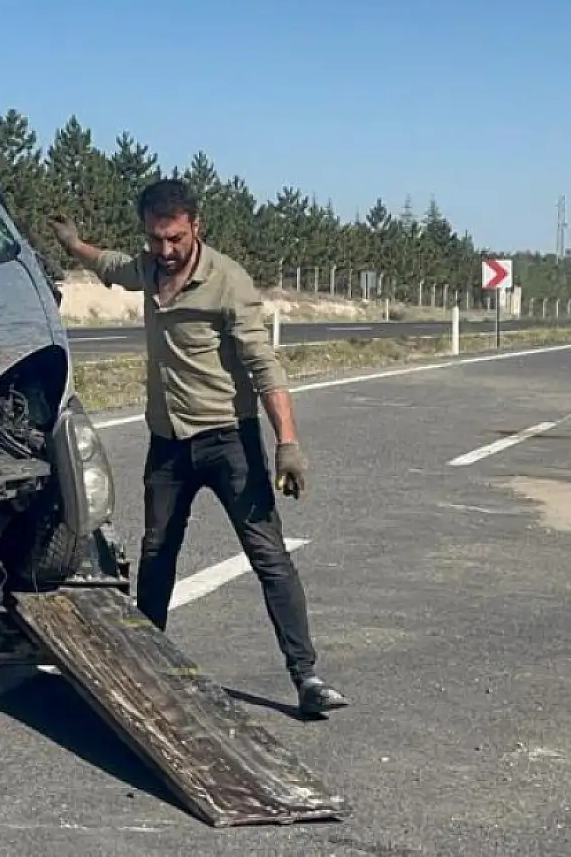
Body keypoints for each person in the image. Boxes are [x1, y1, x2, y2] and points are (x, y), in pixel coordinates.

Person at [47, 178, 349, 717]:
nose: (165, 251)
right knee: (157, 552)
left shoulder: (228, 281)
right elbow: (113, 265)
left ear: (196, 228)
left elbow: (264, 366)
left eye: (175, 240)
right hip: (168, 445)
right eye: (155, 239)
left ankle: (307, 676)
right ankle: (145, 665)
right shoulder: (147, 266)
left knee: (268, 556)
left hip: (230, 441)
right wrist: (76, 248)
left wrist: (288, 444)